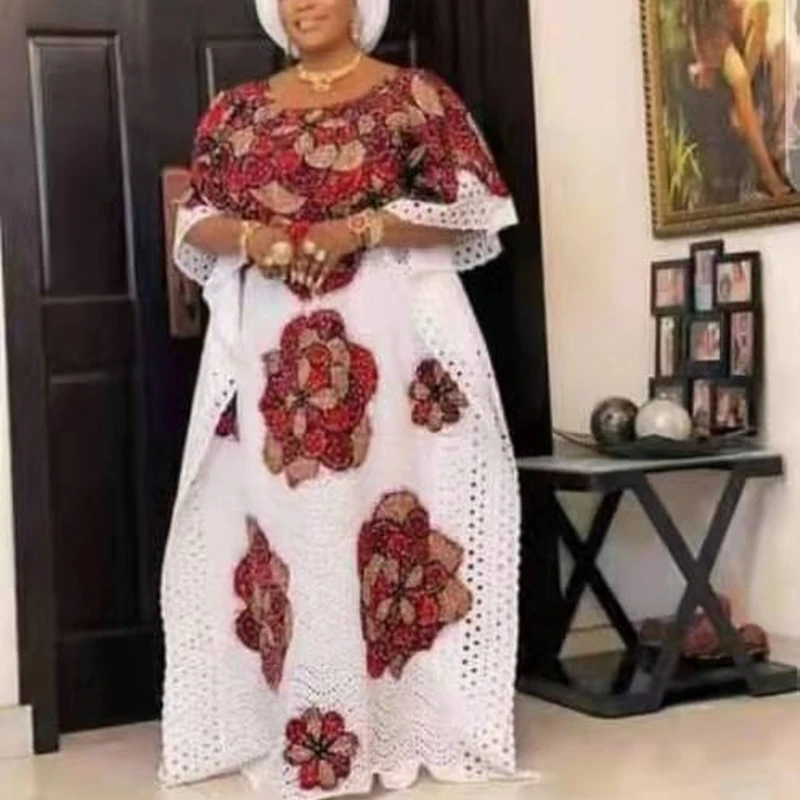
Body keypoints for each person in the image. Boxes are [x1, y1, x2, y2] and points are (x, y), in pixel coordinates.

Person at [159, 1, 522, 797]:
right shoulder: (236, 113)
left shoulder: (417, 98)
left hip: (393, 354)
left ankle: (398, 719)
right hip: (274, 363)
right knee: (290, 529)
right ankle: (308, 722)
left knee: (389, 520)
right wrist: (256, 238)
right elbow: (198, 219)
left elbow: (474, 207)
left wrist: (358, 229)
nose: (306, 2)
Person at [685, 0, 791, 197]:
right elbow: (694, 15)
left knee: (761, 7)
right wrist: (702, 59)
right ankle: (768, 174)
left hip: (725, 21)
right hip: (711, 31)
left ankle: (741, 101)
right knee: (740, 78)